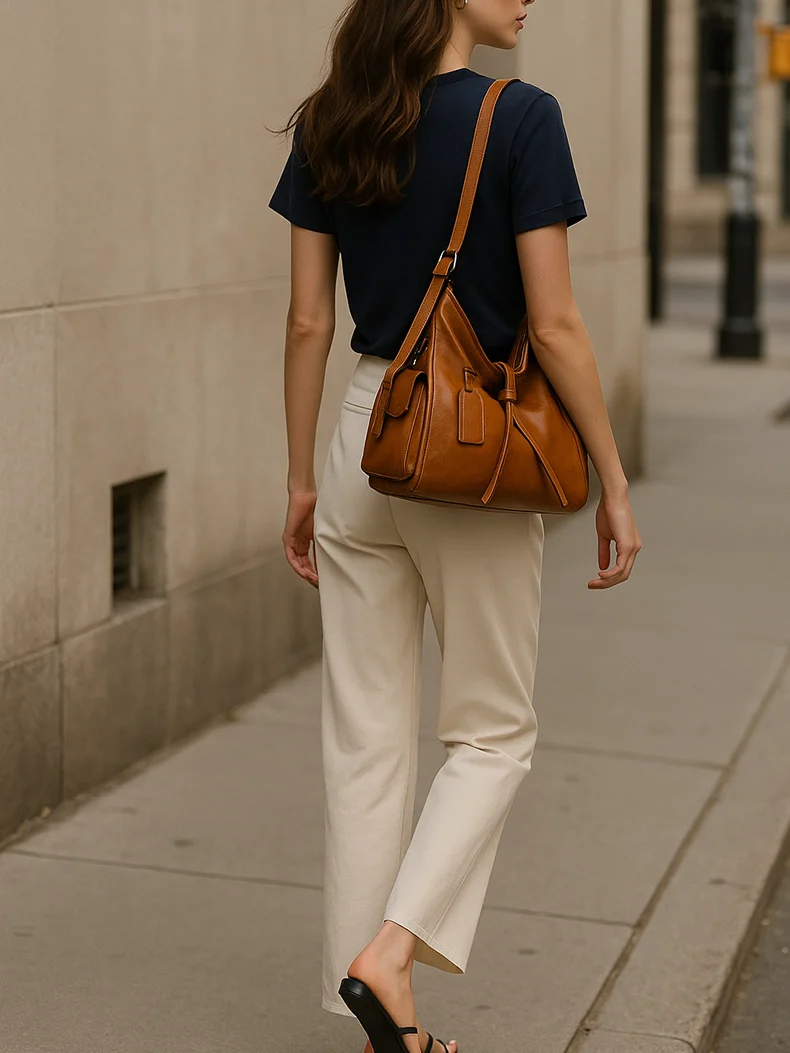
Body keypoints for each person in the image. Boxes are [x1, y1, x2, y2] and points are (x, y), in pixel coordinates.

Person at [267, 0, 643, 1049]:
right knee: (491, 731)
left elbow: (306, 320)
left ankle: (372, 1004)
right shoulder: (520, 119)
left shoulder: (331, 118)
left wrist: (300, 476)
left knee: (363, 739)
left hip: (358, 432)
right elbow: (556, 323)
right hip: (463, 447)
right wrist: (610, 476)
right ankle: (387, 959)